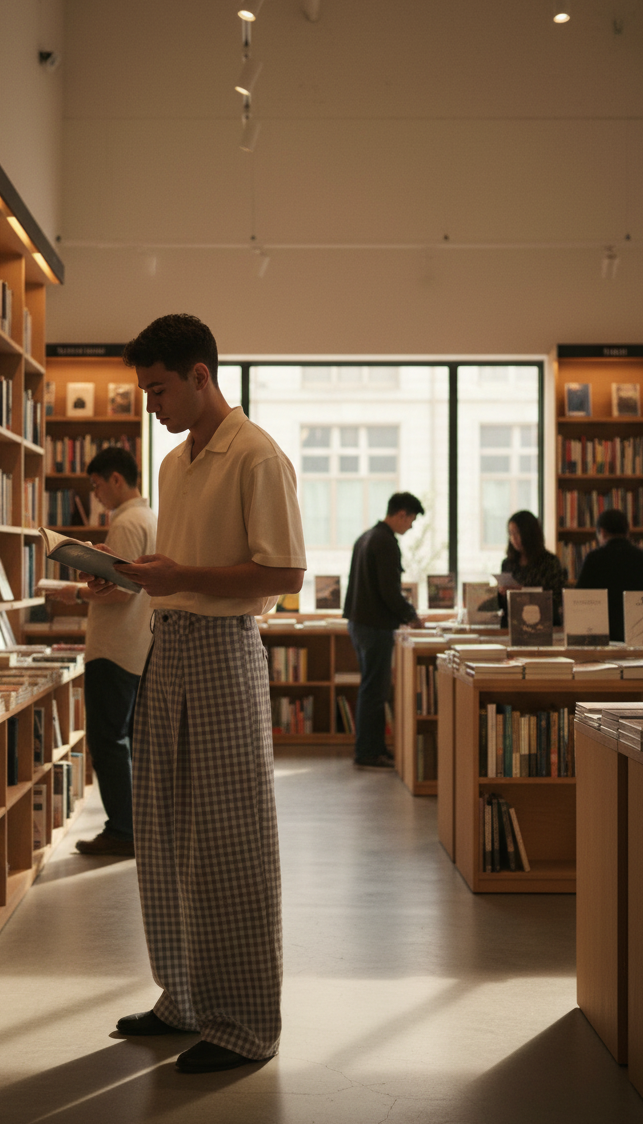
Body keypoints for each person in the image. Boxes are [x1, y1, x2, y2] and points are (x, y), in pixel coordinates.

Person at [82, 314, 306, 1075]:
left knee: (230, 844)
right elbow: (179, 568)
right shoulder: (175, 465)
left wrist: (181, 579)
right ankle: (183, 996)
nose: (150, 405)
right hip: (165, 648)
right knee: (166, 835)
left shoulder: (257, 456)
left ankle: (245, 1023)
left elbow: (283, 576)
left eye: (158, 389)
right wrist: (146, 578)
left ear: (200, 376)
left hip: (222, 652)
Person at [50, 447, 156, 857]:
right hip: (134, 645)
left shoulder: (128, 522)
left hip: (114, 647)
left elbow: (120, 593)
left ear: (116, 479)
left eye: (96, 486)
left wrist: (76, 590)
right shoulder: (148, 517)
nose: (95, 495)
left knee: (107, 740)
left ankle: (123, 831)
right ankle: (129, 825)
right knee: (120, 739)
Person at [343, 492, 425, 770]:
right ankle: (369, 752)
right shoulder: (386, 543)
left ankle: (372, 748)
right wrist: (411, 616)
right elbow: (390, 592)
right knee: (375, 691)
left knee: (370, 688)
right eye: (411, 520)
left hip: (358, 623)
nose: (410, 527)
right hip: (375, 626)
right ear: (401, 514)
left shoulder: (365, 537)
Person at [575, 507, 643, 641]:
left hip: (602, 636)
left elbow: (579, 599)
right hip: (639, 636)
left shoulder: (594, 559)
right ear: (627, 533)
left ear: (602, 532)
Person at [498, 509, 567, 626]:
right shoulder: (508, 563)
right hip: (514, 624)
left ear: (529, 533)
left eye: (517, 533)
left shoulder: (550, 562)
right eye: (511, 533)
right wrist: (501, 594)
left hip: (543, 624)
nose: (514, 538)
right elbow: (503, 607)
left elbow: (556, 599)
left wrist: (524, 592)